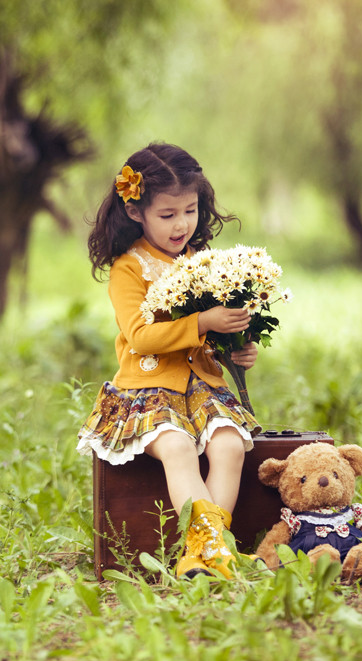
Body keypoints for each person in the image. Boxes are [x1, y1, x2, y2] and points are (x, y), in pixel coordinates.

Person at [77, 142, 260, 579]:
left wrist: (235, 349)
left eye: (190, 211)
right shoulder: (130, 268)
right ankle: (213, 552)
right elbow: (139, 335)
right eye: (167, 215)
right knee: (177, 446)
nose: (182, 225)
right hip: (148, 390)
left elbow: (210, 335)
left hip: (203, 388)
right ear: (136, 211)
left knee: (230, 445)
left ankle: (209, 552)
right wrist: (201, 321)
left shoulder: (202, 261)